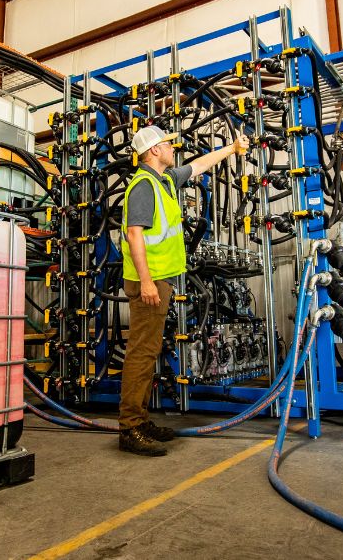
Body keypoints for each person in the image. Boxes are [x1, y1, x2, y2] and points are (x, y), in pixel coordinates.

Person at [118, 125, 250, 456]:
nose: (172, 148)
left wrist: (231, 149)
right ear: (152, 152)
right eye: (166, 144)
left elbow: (200, 165)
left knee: (149, 352)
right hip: (149, 282)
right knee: (141, 352)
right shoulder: (144, 186)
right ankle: (130, 427)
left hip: (160, 279)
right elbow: (135, 235)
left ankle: (141, 420)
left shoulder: (164, 181)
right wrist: (147, 281)